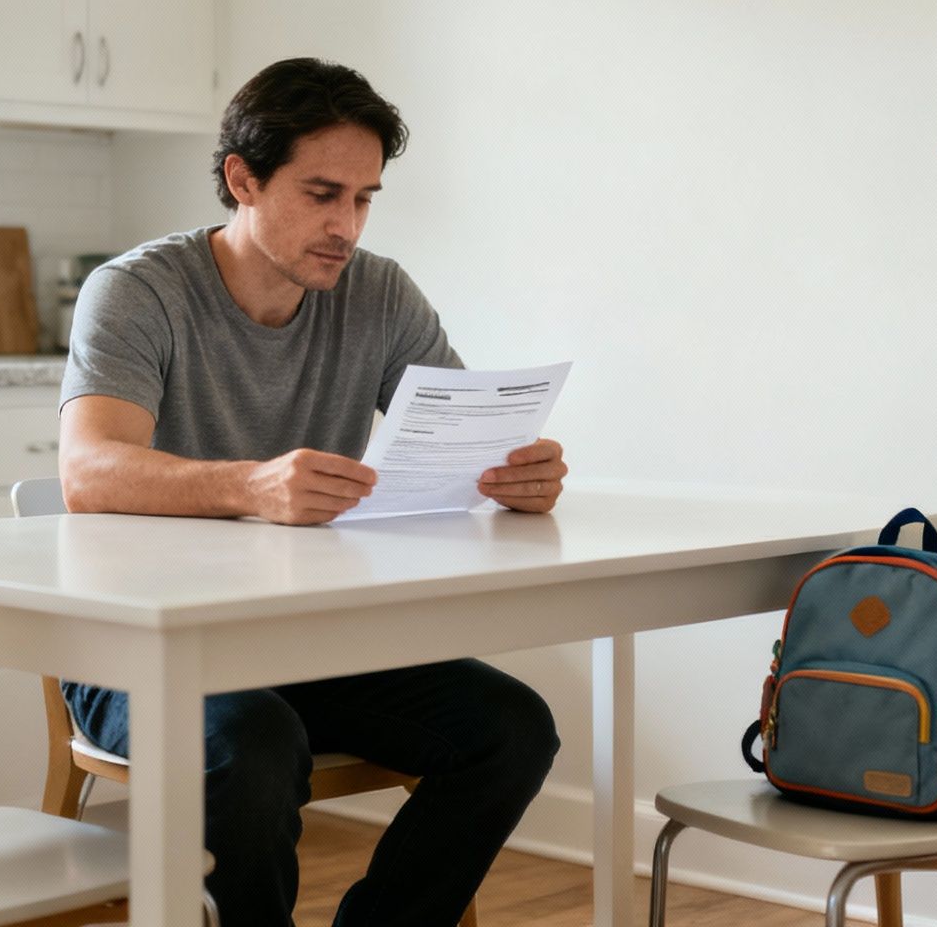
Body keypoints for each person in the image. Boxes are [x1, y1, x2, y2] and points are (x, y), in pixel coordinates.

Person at [55, 57, 567, 927]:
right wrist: (253, 485)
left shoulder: (378, 294)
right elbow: (88, 469)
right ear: (241, 180)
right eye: (322, 193)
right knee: (253, 745)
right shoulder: (138, 291)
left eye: (364, 199)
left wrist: (515, 474)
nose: (347, 226)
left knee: (513, 729)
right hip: (142, 645)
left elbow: (460, 431)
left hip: (302, 640)